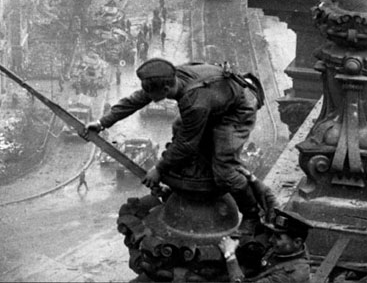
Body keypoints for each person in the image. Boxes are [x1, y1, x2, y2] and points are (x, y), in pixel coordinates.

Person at [85, 59, 268, 232]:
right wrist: (102, 123)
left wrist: (159, 168)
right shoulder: (172, 75)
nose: (147, 97)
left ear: (165, 89)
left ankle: (253, 215)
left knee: (224, 170)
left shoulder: (194, 103)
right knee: (179, 125)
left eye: (151, 93)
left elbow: (186, 144)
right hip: (220, 98)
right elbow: (137, 99)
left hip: (238, 110)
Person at [218, 209, 311, 282]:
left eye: (278, 237)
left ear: (297, 242)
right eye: (273, 234)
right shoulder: (293, 249)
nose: (271, 240)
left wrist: (230, 255)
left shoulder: (292, 275)